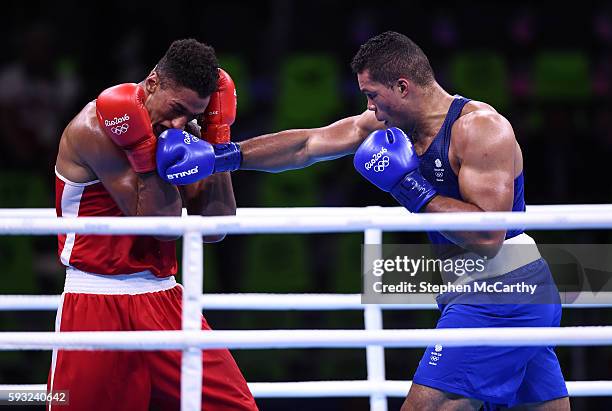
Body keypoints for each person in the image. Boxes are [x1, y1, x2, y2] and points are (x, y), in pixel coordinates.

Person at [168, 32, 570, 410]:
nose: (370, 109)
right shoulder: (391, 124)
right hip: (482, 288)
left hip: (501, 292)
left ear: (402, 86)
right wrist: (227, 156)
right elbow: (309, 145)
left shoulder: (481, 129)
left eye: (372, 96)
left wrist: (407, 186)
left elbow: (487, 235)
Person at [51, 39, 257, 410]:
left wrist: (216, 139)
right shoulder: (94, 129)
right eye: (177, 108)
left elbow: (215, 227)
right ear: (152, 83)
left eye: (193, 114)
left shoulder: (185, 132)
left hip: (165, 297)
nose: (180, 123)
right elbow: (159, 226)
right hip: (98, 300)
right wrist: (147, 153)